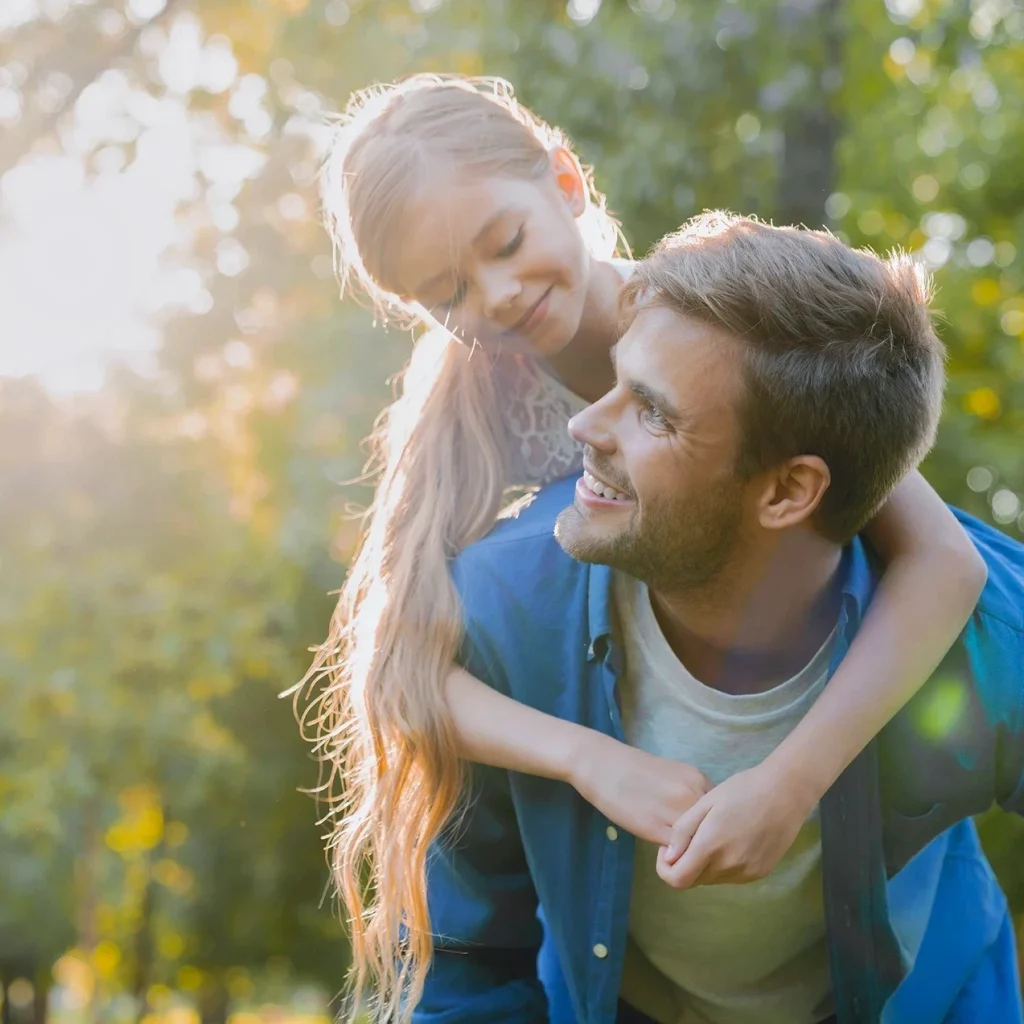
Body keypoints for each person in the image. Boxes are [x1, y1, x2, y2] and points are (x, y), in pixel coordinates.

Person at [295, 76, 986, 1020]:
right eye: (445, 292)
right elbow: (401, 672)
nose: (495, 296)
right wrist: (588, 759)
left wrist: (792, 783)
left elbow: (946, 561)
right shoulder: (481, 403)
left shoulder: (714, 315)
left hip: (849, 825)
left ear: (566, 182)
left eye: (504, 243)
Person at [425, 214, 1024, 1023]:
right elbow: (470, 958)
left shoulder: (985, 638)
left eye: (652, 414)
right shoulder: (506, 612)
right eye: (613, 380)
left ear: (786, 492)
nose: (584, 427)